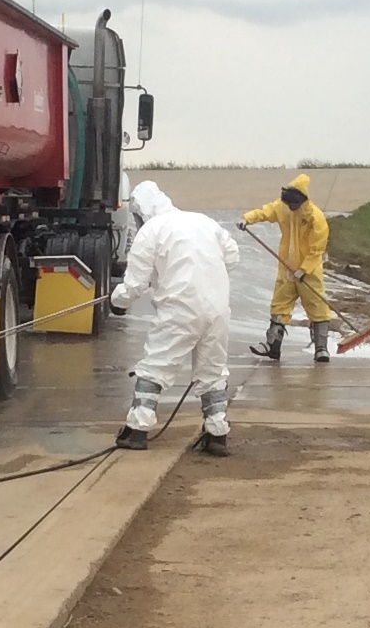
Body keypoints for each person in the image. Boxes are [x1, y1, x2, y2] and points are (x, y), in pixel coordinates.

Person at [111, 181, 240, 457]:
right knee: (213, 371)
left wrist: (117, 301)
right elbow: (232, 256)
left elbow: (134, 284)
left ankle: (137, 430)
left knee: (156, 366)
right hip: (217, 309)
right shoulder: (203, 222)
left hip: (179, 309)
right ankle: (217, 434)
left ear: (141, 212)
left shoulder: (151, 231)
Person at [238, 173, 331, 364]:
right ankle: (273, 346)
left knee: (317, 306)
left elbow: (317, 249)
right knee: (279, 306)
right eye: (289, 204)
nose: (291, 208)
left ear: (301, 201)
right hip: (286, 270)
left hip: (309, 273)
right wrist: (247, 219)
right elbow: (265, 212)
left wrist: (304, 269)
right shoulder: (282, 208)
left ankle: (321, 348)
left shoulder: (315, 218)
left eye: (294, 205)